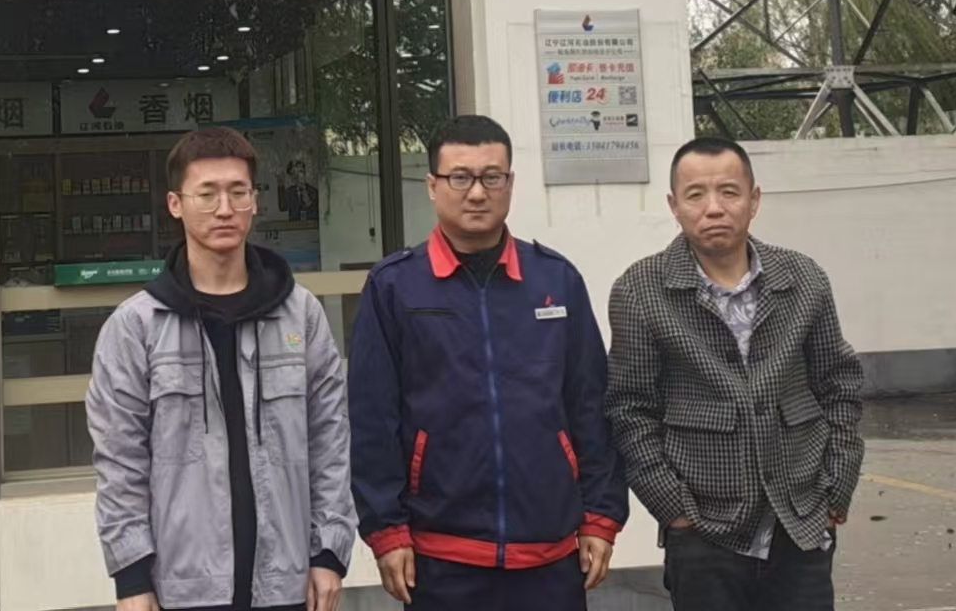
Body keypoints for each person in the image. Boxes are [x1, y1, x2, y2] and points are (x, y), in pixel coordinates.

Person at [348, 114, 628, 610]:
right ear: (432, 185)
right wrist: (385, 530)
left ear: (510, 183)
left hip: (550, 554)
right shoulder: (395, 287)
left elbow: (590, 404)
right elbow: (373, 418)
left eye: (491, 177)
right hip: (440, 557)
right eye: (460, 177)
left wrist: (601, 516)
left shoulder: (556, 280)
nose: (477, 193)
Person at [85, 126, 356, 611]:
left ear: (255, 201)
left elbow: (330, 441)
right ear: (175, 204)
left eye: (238, 192)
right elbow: (120, 462)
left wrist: (330, 553)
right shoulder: (136, 326)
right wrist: (131, 577)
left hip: (289, 581)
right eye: (207, 194)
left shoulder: (301, 314)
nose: (225, 208)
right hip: (183, 587)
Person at [606, 136, 864, 611]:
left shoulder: (803, 278)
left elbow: (839, 385)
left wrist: (836, 488)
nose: (714, 208)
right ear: (674, 206)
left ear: (754, 199)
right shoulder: (641, 291)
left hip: (800, 523)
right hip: (704, 535)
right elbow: (630, 410)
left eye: (729, 191)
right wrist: (674, 509)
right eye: (696, 194)